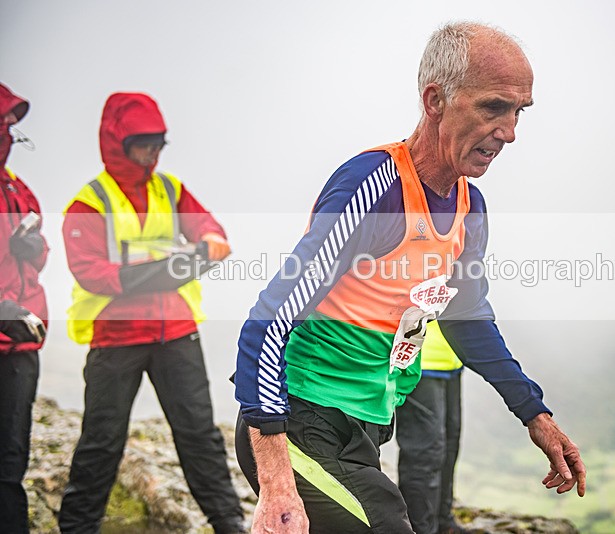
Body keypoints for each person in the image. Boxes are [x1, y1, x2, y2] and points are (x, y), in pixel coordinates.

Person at [234, 22, 587, 533]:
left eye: (519, 112)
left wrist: (535, 414)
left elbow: (466, 318)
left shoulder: (470, 207)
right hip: (299, 427)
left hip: (367, 431)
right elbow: (267, 322)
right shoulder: (376, 191)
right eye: (493, 107)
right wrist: (277, 483)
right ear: (435, 99)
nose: (510, 132)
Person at [59, 92, 245, 534]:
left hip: (176, 332)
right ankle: (77, 528)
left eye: (159, 144)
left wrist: (212, 243)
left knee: (199, 435)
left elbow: (211, 231)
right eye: (143, 144)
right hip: (115, 338)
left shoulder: (171, 189)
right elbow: (90, 271)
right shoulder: (89, 203)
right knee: (101, 443)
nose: (152, 154)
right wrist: (159, 272)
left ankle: (230, 524)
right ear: (117, 143)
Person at [0, 82, 48, 534]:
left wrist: (33, 244)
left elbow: (40, 255)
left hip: (20, 348)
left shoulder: (20, 190)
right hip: (9, 325)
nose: (10, 134)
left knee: (10, 465)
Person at [396, 321, 464, 534]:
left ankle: (444, 522)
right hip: (419, 359)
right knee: (425, 454)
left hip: (452, 358)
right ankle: (419, 529)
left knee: (449, 444)